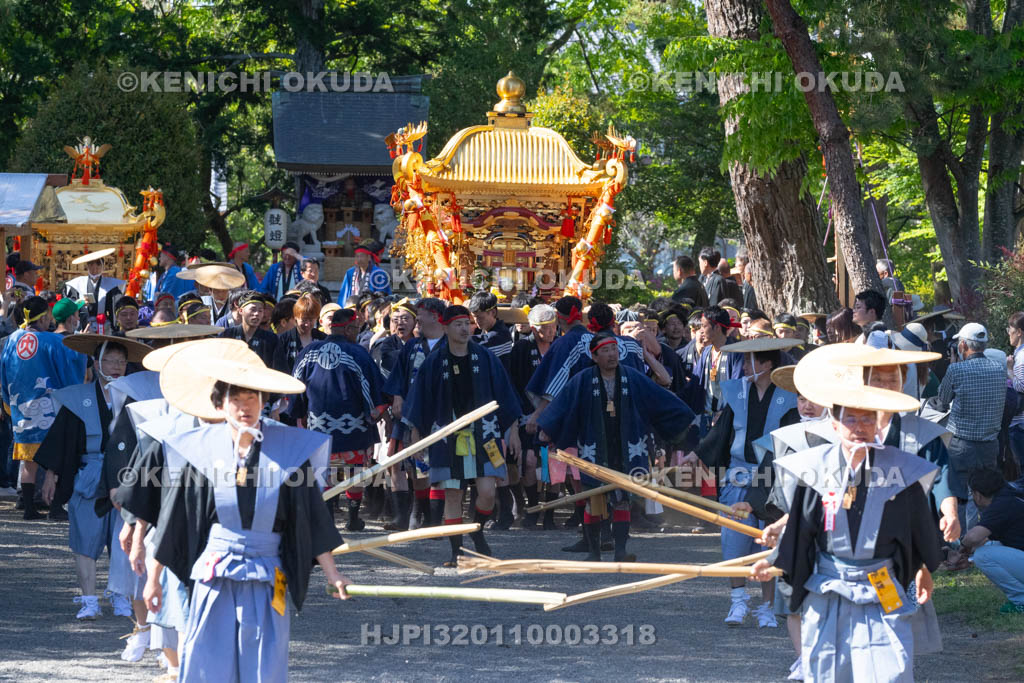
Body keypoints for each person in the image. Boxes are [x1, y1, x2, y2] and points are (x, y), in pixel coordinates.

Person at [148, 340, 352, 681]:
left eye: (252, 399)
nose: (245, 407)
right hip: (214, 572)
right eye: (236, 399)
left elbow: (312, 517)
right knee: (206, 659)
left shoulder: (289, 452)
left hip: (268, 573)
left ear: (263, 403)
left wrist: (333, 573)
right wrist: (153, 581)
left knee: (265, 662)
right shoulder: (199, 454)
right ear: (220, 404)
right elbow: (172, 522)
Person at [753, 350, 943, 682]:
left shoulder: (904, 471)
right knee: (829, 672)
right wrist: (775, 563)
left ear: (879, 420)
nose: (860, 427)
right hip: (828, 587)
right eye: (850, 419)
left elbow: (920, 532)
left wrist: (923, 568)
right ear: (835, 422)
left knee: (892, 672)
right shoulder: (814, 471)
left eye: (867, 418)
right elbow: (801, 534)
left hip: (882, 586)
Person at [538, 332, 695, 561]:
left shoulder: (632, 376)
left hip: (627, 446)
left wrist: (683, 418)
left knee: (622, 499)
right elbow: (563, 405)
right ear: (594, 356)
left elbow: (659, 398)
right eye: (605, 351)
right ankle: (594, 551)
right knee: (594, 499)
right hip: (594, 445)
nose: (612, 355)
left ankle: (620, 550)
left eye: (614, 349)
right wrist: (548, 428)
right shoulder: (583, 379)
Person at [35, 335, 151, 625]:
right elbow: (61, 440)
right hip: (89, 474)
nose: (116, 366)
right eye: (110, 360)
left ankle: (121, 596)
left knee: (126, 538)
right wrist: (51, 475)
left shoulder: (135, 397)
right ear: (96, 363)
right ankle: (89, 600)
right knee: (85, 539)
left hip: (127, 475)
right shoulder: (79, 398)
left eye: (122, 361)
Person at [684, 337, 800, 626]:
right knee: (734, 540)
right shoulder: (737, 393)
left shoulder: (788, 396)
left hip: (773, 476)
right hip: (738, 474)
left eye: (751, 361)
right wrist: (697, 454)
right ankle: (738, 601)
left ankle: (767, 607)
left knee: (768, 543)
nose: (745, 366)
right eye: (744, 360)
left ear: (768, 363)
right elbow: (721, 431)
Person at [401, 305, 523, 566]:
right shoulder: (434, 360)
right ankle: (456, 552)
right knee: (453, 494)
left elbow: (506, 395)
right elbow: (418, 400)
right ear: (445, 327)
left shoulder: (485, 356)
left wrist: (513, 431)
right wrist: (415, 435)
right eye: (458, 324)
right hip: (447, 434)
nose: (465, 328)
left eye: (467, 323)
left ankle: (477, 536)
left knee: (488, 492)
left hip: (485, 432)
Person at [289, 307, 386, 531]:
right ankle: (353, 517)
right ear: (349, 328)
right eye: (356, 327)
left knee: (324, 471)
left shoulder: (308, 352)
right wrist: (374, 414)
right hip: (354, 426)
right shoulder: (359, 354)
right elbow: (372, 392)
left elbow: (296, 387)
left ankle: (327, 520)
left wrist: (299, 414)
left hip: (318, 425)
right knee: (355, 470)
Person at [0, 296, 86, 519]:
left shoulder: (11, 340)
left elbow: (3, 373)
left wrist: (7, 401)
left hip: (21, 408)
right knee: (55, 460)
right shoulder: (54, 342)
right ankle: (55, 507)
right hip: (49, 409)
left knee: (29, 462)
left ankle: (29, 508)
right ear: (44, 316)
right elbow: (72, 366)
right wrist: (84, 346)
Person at [937, 322, 1007, 531]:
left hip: (961, 444)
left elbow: (942, 400)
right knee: (987, 494)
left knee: (958, 494)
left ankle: (958, 542)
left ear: (963, 346)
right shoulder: (999, 369)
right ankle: (986, 536)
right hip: (989, 444)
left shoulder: (956, 369)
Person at [947, 469, 1024, 613]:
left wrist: (960, 549)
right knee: (987, 548)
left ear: (977, 494)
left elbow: (972, 537)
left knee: (983, 555)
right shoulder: (1012, 491)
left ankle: (1021, 600)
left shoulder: (1001, 504)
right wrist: (968, 558)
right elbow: (986, 539)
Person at [510, 304, 558, 530]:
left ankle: (550, 512)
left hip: (555, 414)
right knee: (529, 462)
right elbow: (515, 383)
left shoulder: (559, 347)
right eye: (544, 328)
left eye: (552, 326)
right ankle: (531, 507)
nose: (549, 331)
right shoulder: (521, 347)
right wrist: (525, 414)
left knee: (553, 464)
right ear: (532, 327)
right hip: (527, 413)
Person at [62, 248, 124, 322]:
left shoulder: (111, 285)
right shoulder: (77, 283)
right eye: (91, 266)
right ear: (87, 267)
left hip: (102, 323)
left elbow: (114, 307)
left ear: (102, 267)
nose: (94, 270)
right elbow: (68, 304)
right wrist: (80, 303)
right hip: (81, 322)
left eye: (98, 266)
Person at [219, 290, 279, 367]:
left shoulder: (271, 339)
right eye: (253, 309)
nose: (256, 313)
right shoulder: (227, 336)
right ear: (241, 311)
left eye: (260, 310)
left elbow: (279, 370)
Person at [273, 293, 325, 375]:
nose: (307, 324)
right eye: (304, 320)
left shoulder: (323, 339)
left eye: (311, 320)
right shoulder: (283, 339)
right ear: (296, 317)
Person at [337, 238, 391, 304]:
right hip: (352, 308)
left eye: (362, 256)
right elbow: (343, 296)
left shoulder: (379, 274)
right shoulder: (350, 273)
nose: (359, 259)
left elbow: (382, 296)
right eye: (357, 256)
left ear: (368, 257)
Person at [1007, 312, 1024, 472]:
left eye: (1009, 329)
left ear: (1019, 332)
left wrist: (1010, 370)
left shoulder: (1022, 356)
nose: (1008, 333)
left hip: (1020, 422)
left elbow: (1021, 386)